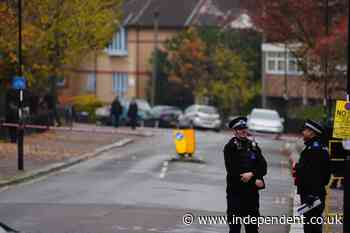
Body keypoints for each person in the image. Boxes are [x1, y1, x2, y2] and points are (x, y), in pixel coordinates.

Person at [224, 116, 267, 233]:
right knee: (235, 227)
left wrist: (253, 174)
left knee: (252, 227)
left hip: (251, 194)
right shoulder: (230, 147)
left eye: (244, 128)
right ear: (235, 131)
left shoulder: (253, 146)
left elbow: (263, 166)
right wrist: (253, 178)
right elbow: (232, 170)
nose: (243, 131)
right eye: (240, 128)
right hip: (236, 193)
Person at [292, 119, 331, 233]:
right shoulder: (314, 147)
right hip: (312, 193)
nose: (303, 132)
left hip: (312, 194)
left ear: (312, 132)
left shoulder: (315, 149)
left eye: (305, 130)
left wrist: (312, 195)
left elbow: (315, 174)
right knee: (310, 223)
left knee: (311, 226)